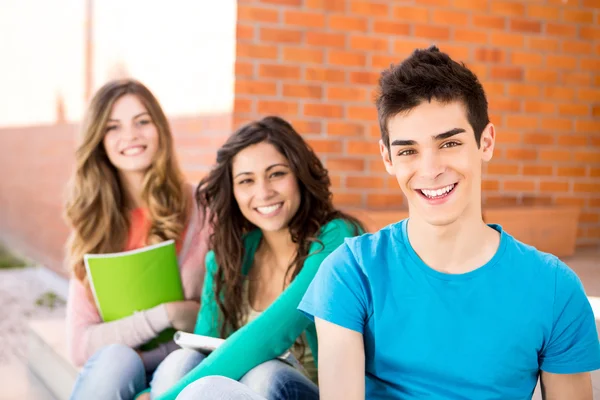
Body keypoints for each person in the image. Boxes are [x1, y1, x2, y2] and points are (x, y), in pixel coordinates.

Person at [298, 46, 600, 399]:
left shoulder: (554, 289)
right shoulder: (351, 272)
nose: (430, 170)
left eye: (449, 143)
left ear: (485, 142)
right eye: (408, 150)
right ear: (387, 157)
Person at [142, 116, 364, 400]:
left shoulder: (335, 238)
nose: (264, 192)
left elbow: (274, 333)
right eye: (246, 180)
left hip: (314, 392)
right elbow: (203, 346)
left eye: (277, 174)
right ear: (232, 192)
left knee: (264, 373)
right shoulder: (231, 254)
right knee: (181, 361)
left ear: (299, 175)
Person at [64, 79, 211, 399]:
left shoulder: (203, 208)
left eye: (142, 121)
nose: (130, 135)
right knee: (115, 359)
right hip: (117, 369)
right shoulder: (92, 225)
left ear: (160, 129)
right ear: (99, 140)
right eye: (113, 127)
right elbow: (80, 345)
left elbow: (220, 317)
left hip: (183, 364)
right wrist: (166, 314)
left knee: (176, 365)